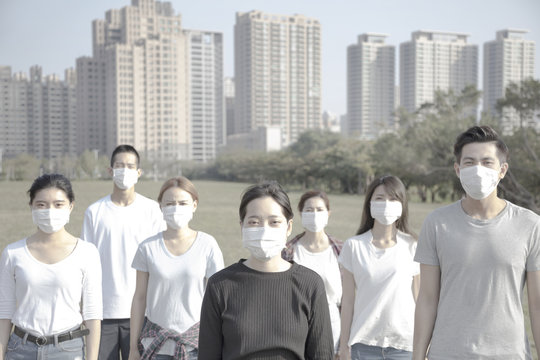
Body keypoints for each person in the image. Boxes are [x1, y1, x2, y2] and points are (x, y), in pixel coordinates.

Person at [413, 125, 540, 359]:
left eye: (487, 162)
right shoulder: (436, 223)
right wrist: (417, 356)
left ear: (502, 170)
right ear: (457, 169)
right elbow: (427, 299)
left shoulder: (530, 225)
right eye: (469, 162)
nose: (478, 169)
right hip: (448, 353)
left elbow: (537, 305)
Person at [198, 181, 334, 359]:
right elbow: (208, 354)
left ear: (289, 227)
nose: (264, 230)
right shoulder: (220, 285)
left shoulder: (310, 284)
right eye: (254, 222)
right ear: (242, 226)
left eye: (274, 222)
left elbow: (322, 354)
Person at [0, 174, 102, 360]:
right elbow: (4, 312)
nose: (49, 211)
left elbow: (93, 314)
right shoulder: (12, 253)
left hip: (68, 350)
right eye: (41, 204)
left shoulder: (87, 252)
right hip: (20, 349)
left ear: (71, 206)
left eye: (58, 204)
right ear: (31, 206)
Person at [82, 145, 165, 360]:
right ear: (110, 171)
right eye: (119, 166)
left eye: (130, 166)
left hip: (143, 313)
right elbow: (85, 263)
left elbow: (160, 260)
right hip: (103, 313)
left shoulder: (152, 210)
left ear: (139, 172)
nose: (124, 170)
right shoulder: (95, 211)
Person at [128, 176, 224, 360]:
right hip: (156, 346)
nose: (176, 208)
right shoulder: (147, 247)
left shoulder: (207, 244)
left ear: (194, 205)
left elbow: (219, 299)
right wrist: (133, 347)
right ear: (160, 206)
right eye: (170, 203)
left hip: (196, 346)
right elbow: (139, 298)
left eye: (183, 203)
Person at [339, 175, 419, 360]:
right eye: (379, 198)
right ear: (369, 204)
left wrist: (426, 345)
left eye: (393, 199)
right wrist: (344, 346)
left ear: (402, 205)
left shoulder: (412, 245)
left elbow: (420, 299)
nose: (386, 204)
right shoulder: (354, 246)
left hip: (405, 346)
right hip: (364, 346)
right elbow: (348, 302)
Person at [282, 190, 343, 354]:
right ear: (300, 213)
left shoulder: (341, 250)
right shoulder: (287, 251)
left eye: (319, 209)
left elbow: (348, 299)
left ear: (328, 213)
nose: (314, 214)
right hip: (295, 325)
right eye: (309, 210)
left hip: (333, 327)